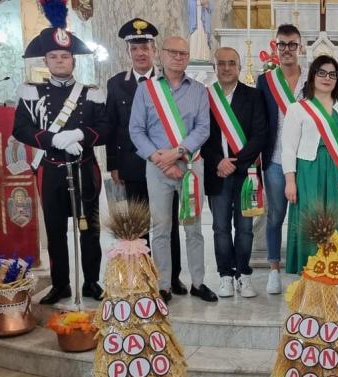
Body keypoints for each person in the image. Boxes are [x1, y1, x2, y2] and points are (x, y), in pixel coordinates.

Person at [12, 17, 108, 304]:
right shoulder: (32, 93)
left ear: (73, 61)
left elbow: (106, 128)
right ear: (45, 60)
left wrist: (80, 134)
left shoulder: (92, 93)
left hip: (83, 170)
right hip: (51, 170)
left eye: (64, 56)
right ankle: (60, 284)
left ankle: (91, 282)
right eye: (53, 56)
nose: (59, 61)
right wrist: (52, 139)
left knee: (89, 230)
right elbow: (20, 129)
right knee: (55, 231)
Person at [129, 36, 217, 303]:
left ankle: (198, 282)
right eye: (173, 52)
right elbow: (136, 130)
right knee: (161, 228)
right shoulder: (146, 89)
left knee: (193, 229)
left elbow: (203, 128)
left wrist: (177, 153)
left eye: (183, 54)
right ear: (162, 54)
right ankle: (163, 285)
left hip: (191, 166)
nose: (178, 57)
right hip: (157, 169)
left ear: (188, 58)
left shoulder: (200, 90)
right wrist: (160, 159)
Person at [106, 18, 187, 297]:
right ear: (128, 52)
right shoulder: (117, 84)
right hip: (133, 165)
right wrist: (113, 165)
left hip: (168, 166)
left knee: (168, 225)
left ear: (155, 51)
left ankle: (170, 277)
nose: (140, 53)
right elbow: (113, 126)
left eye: (145, 47)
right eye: (135, 48)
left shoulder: (169, 82)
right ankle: (143, 276)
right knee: (140, 225)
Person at [282, 55, 338, 274]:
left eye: (332, 74)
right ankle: (312, 275)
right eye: (321, 73)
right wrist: (290, 181)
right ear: (312, 76)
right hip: (309, 170)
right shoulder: (297, 109)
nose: (327, 78)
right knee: (313, 220)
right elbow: (289, 147)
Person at [201, 47, 268, 298]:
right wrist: (219, 161)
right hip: (216, 172)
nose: (227, 68)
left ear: (239, 68)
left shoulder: (253, 96)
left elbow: (261, 134)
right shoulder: (206, 97)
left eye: (232, 63)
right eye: (222, 63)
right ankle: (225, 275)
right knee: (220, 227)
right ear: (215, 67)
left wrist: (236, 162)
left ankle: (243, 274)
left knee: (245, 227)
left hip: (246, 173)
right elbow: (201, 134)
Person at [257, 24, 308, 294]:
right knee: (276, 216)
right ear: (275, 48)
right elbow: (260, 121)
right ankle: (274, 269)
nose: (287, 50)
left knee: (302, 217)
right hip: (276, 160)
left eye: (292, 44)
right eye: (282, 44)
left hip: (306, 161)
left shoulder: (313, 79)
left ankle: (303, 268)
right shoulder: (265, 81)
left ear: (300, 47)